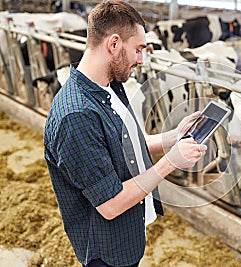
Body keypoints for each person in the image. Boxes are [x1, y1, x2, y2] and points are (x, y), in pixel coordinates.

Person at [43, 1, 207, 267]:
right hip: (107, 252)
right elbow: (110, 204)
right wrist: (171, 162)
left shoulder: (110, 87)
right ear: (114, 44)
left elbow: (123, 148)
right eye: (138, 50)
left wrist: (172, 138)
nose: (141, 60)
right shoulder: (77, 116)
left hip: (127, 234)